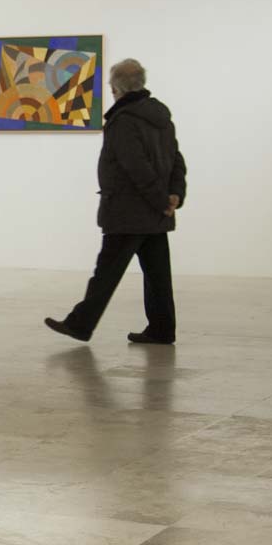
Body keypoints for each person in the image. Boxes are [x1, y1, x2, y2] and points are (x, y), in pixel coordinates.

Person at [46, 59, 188, 346]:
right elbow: (176, 160)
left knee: (107, 273)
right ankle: (162, 329)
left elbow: (135, 167)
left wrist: (162, 200)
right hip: (155, 213)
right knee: (158, 275)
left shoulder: (123, 121)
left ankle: (80, 324)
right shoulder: (161, 118)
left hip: (127, 212)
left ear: (116, 89)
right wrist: (174, 195)